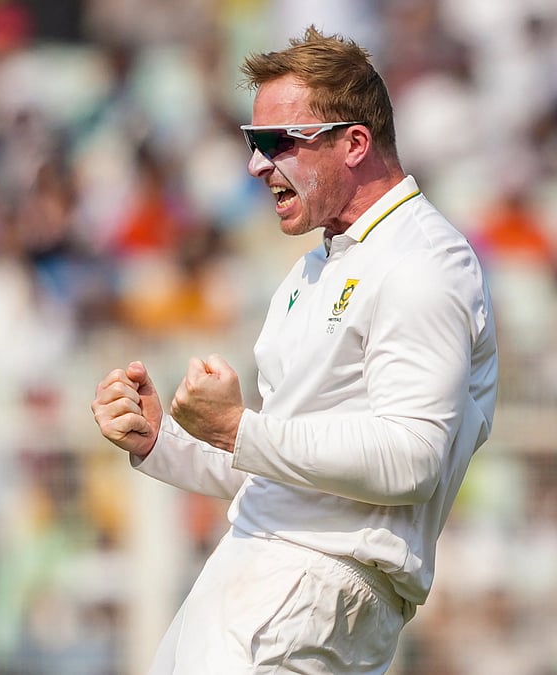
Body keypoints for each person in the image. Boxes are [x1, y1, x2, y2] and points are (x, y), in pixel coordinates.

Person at [90, 26, 498, 674]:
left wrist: (237, 427)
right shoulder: (312, 267)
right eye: (254, 143)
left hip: (318, 582)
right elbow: (279, 461)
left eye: (278, 142)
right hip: (257, 566)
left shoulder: (422, 262)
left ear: (355, 143)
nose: (256, 164)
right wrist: (160, 439)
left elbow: (413, 458)